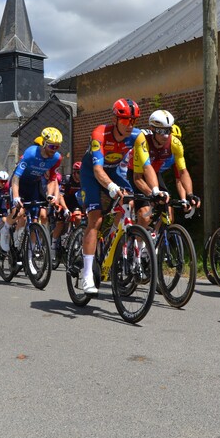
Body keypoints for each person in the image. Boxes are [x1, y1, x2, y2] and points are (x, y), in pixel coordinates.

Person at [79, 98, 143, 294]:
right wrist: (112, 187)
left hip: (114, 171)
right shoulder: (100, 133)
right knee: (96, 219)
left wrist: (154, 190)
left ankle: (114, 236)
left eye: (133, 121)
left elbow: (146, 165)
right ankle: (87, 274)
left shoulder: (136, 136)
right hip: (91, 173)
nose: (129, 126)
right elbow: (98, 170)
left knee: (130, 202)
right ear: (116, 120)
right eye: (125, 121)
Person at [130, 110, 200, 230]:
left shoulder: (175, 143)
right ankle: (139, 244)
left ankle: (155, 241)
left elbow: (182, 172)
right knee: (145, 216)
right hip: (135, 173)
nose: (165, 136)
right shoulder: (142, 140)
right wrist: (154, 192)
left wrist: (190, 195)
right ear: (152, 129)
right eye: (161, 131)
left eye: (168, 131)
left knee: (168, 213)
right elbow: (144, 171)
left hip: (154, 173)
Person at [0, 128, 62, 255]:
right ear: (44, 143)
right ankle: (5, 229)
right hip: (20, 183)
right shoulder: (30, 154)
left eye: (57, 147)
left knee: (35, 218)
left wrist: (50, 195)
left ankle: (30, 254)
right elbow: (16, 177)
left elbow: (52, 178)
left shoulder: (56, 158)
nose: (54, 150)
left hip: (34, 185)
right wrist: (16, 197)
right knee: (20, 212)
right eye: (51, 146)